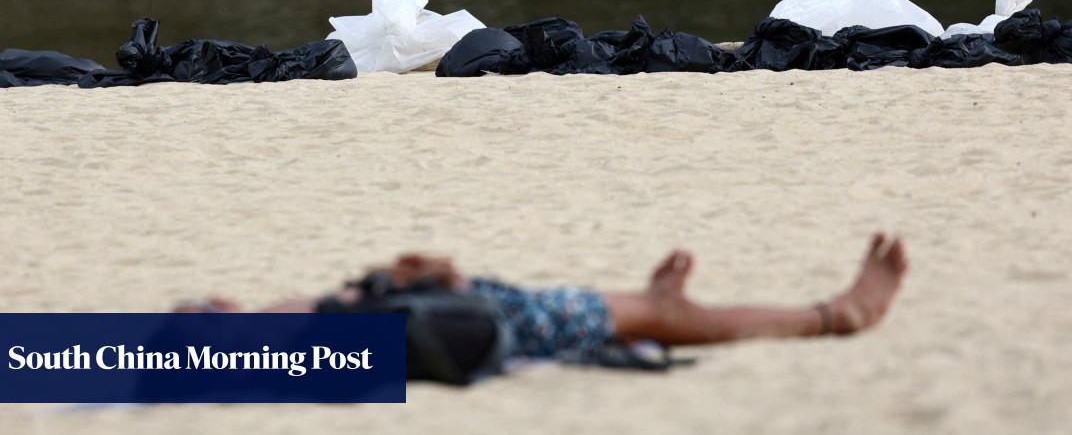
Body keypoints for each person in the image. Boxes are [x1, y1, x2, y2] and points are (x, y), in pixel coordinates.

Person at [177, 232, 907, 358]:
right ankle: (832, 316)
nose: (210, 298)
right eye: (204, 312)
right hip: (473, 322)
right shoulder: (277, 336)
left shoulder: (279, 325)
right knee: (664, 316)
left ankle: (654, 302)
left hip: (454, 313)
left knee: (642, 309)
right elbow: (409, 331)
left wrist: (404, 276)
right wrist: (441, 281)